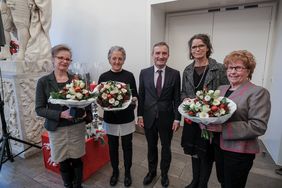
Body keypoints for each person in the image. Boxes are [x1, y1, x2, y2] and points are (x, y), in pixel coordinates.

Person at [207, 50, 271, 188]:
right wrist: (204, 119)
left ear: (248, 71)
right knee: (222, 180)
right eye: (230, 68)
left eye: (238, 68)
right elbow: (213, 113)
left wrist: (222, 128)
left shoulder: (258, 92)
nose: (233, 72)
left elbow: (258, 125)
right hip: (218, 146)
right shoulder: (221, 89)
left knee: (233, 184)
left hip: (239, 151)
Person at [35, 44, 92, 188]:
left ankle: (77, 185)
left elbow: (87, 100)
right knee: (63, 161)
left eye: (68, 59)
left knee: (77, 159)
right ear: (53, 59)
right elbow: (39, 109)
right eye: (61, 57)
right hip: (57, 128)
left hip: (76, 126)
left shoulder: (77, 79)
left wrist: (87, 114)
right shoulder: (43, 82)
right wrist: (61, 114)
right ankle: (68, 185)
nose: (64, 61)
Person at [181, 34, 229, 188]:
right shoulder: (187, 70)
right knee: (194, 151)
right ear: (191, 50)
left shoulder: (219, 68)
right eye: (194, 47)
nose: (197, 49)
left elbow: (226, 92)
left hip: (210, 120)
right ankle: (195, 181)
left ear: (208, 48)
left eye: (201, 45)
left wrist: (213, 109)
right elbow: (183, 92)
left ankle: (203, 184)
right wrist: (185, 100)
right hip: (192, 118)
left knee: (206, 153)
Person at [137, 42, 181, 187]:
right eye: (157, 53)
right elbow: (141, 96)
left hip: (167, 118)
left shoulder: (175, 74)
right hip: (149, 117)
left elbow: (176, 98)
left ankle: (164, 173)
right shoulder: (144, 72)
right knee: (151, 146)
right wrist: (140, 115)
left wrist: (177, 118)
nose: (160, 56)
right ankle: (151, 172)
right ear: (153, 55)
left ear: (168, 55)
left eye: (164, 53)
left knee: (166, 147)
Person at [98, 46, 138, 187]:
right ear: (109, 59)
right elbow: (99, 99)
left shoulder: (129, 76)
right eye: (114, 58)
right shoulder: (103, 77)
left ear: (124, 60)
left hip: (126, 118)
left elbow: (135, 96)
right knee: (112, 148)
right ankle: (115, 172)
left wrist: (131, 104)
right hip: (110, 119)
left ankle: (127, 172)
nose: (117, 61)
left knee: (128, 147)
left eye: (120, 58)